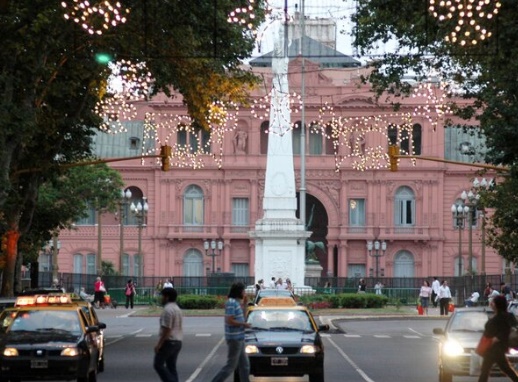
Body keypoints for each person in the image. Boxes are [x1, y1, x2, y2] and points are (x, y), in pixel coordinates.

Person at [210, 282, 251, 382]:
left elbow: (243, 319)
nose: (244, 293)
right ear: (239, 292)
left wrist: (245, 305)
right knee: (231, 366)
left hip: (239, 338)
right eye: (243, 291)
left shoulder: (236, 303)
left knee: (244, 366)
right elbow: (230, 320)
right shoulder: (231, 303)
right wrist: (243, 325)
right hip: (234, 339)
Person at [477, 295, 518, 382]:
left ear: (497, 304)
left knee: (486, 370)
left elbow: (507, 330)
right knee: (504, 368)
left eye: (493, 302)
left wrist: (496, 338)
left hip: (496, 347)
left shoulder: (504, 317)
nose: (491, 304)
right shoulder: (497, 316)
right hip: (494, 348)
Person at [154, 288, 183, 382]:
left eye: (162, 296)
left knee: (158, 364)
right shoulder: (177, 308)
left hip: (169, 341)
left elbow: (167, 329)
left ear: (167, 297)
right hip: (178, 341)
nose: (161, 298)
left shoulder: (167, 310)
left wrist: (159, 344)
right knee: (171, 367)